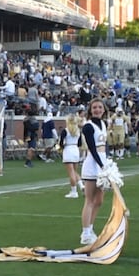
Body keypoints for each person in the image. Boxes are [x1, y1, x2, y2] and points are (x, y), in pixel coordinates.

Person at [78, 98, 110, 245]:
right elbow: (92, 148)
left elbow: (105, 146)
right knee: (90, 200)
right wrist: (102, 165)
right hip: (93, 164)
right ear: (90, 110)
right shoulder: (88, 126)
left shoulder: (104, 124)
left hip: (103, 162)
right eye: (94, 107)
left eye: (100, 107)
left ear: (104, 109)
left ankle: (90, 229)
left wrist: (107, 164)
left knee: (99, 201)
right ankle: (85, 233)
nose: (97, 110)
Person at [60, 113, 82, 197]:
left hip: (68, 150)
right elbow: (80, 143)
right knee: (75, 171)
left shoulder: (65, 131)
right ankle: (81, 185)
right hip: (75, 150)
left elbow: (61, 143)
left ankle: (74, 191)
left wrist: (61, 147)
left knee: (71, 172)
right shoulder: (78, 130)